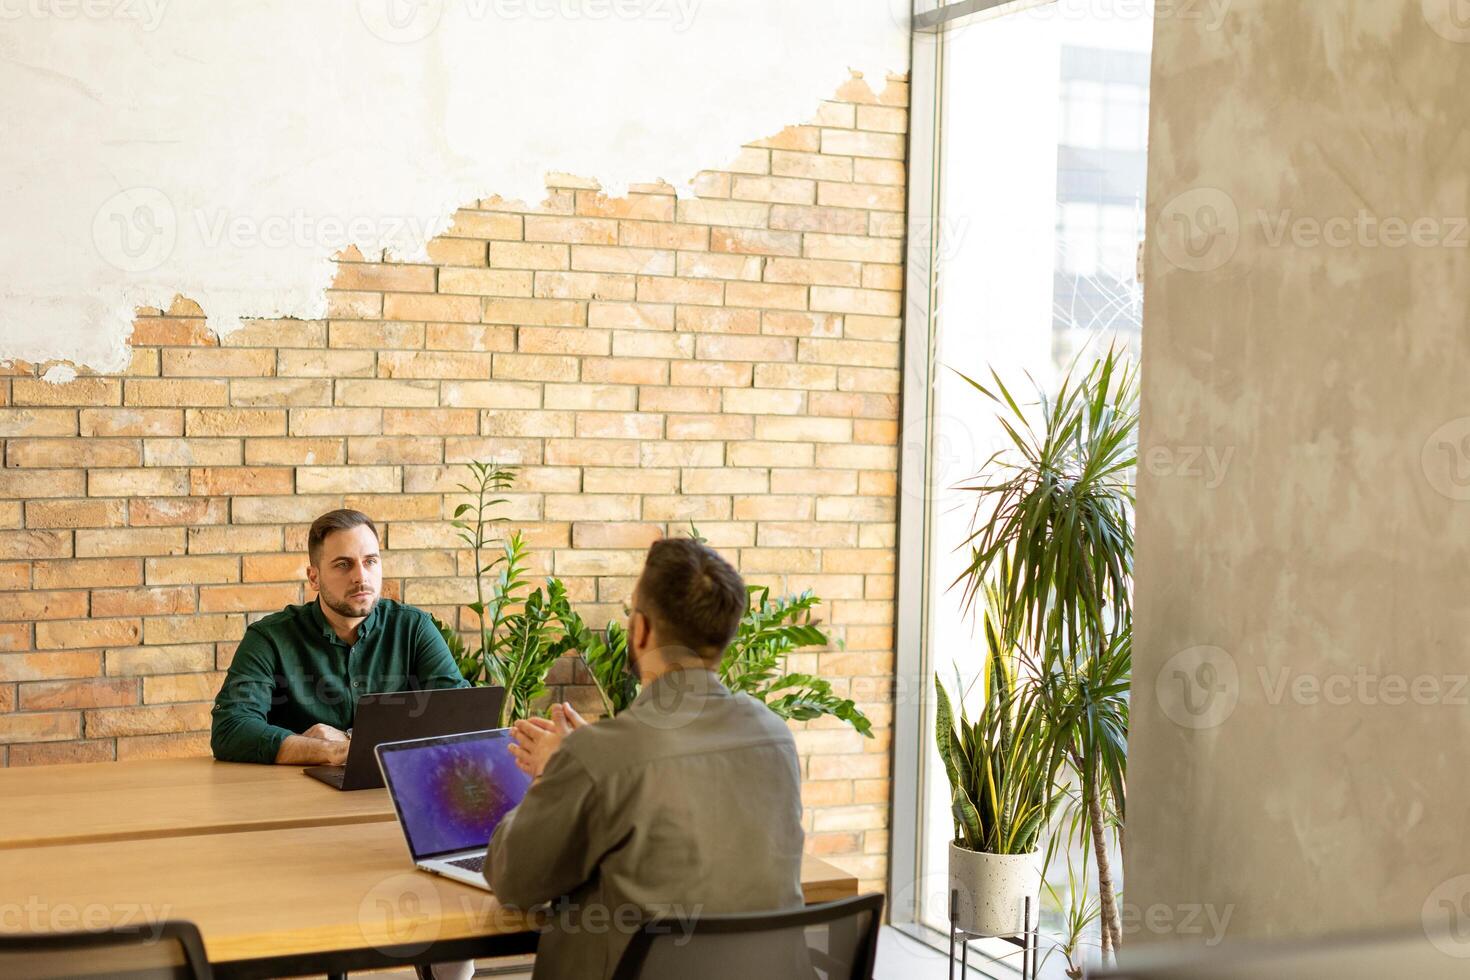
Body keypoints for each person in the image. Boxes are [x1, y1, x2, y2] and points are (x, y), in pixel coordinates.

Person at [485, 537, 806, 980]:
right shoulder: (775, 736)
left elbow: (513, 880)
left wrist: (553, 771)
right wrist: (583, 758)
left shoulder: (601, 756)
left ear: (641, 631)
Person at [210, 508, 468, 765]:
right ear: (314, 577)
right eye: (343, 565)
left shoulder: (414, 628)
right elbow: (231, 728)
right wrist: (326, 751)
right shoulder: (270, 638)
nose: (360, 577)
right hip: (298, 796)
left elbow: (462, 718)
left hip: (393, 788)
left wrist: (350, 740)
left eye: (370, 561)